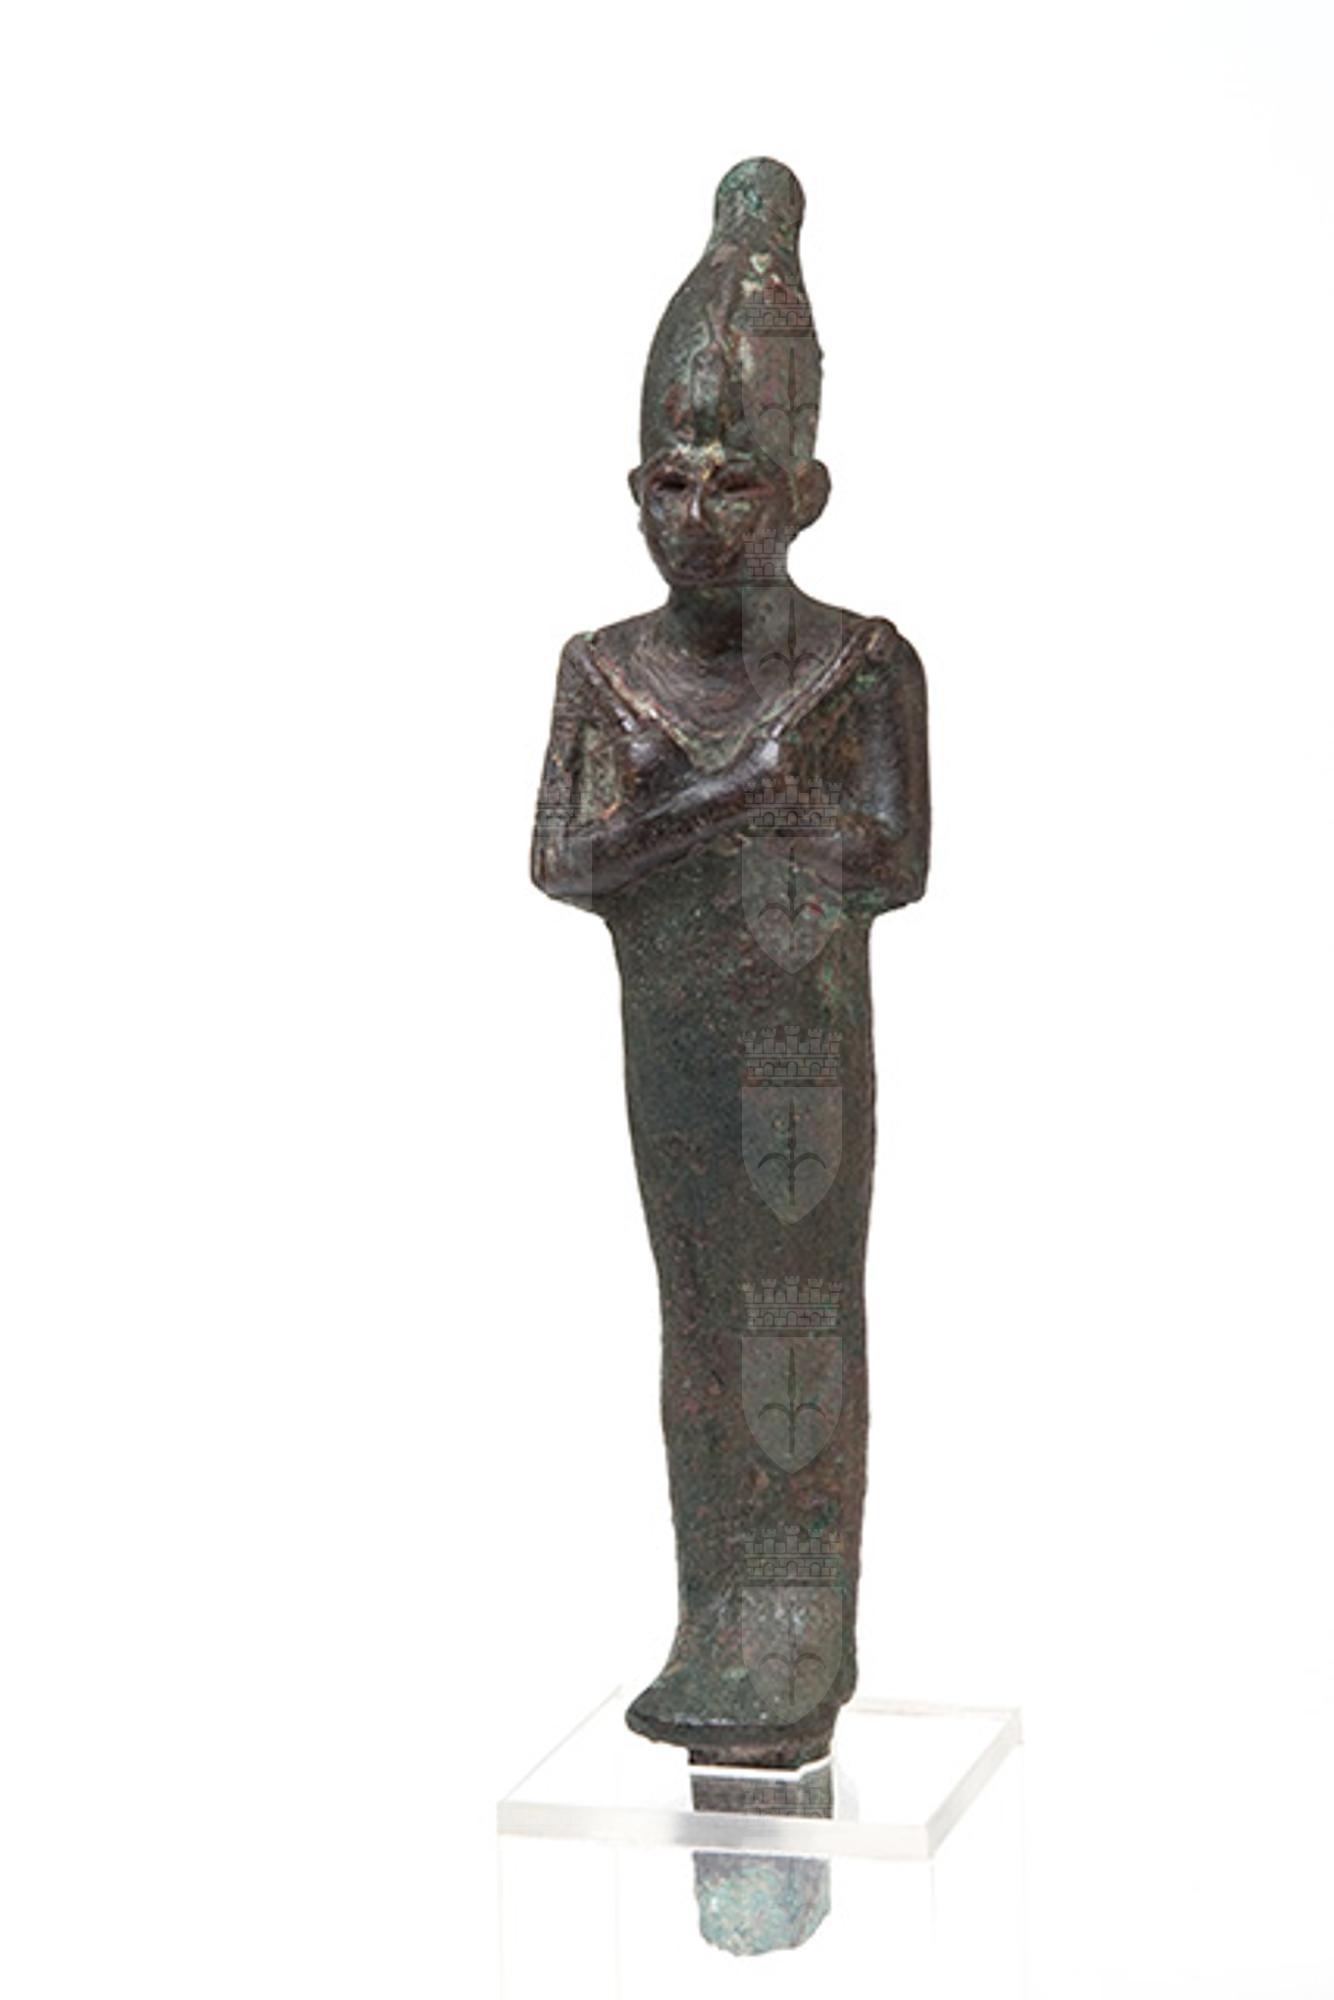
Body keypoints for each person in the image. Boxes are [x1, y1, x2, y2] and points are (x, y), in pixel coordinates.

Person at [532, 159, 929, 1769]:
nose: (696, 517)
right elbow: (565, 860)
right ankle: (717, 1616)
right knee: (697, 1316)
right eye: (671, 483)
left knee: (798, 1316)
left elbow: (890, 861)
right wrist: (733, 793)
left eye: (734, 484)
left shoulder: (859, 665)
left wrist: (734, 803)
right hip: (677, 1052)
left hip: (799, 1055)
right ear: (633, 492)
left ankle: (796, 1621)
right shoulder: (605, 671)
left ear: (805, 493)